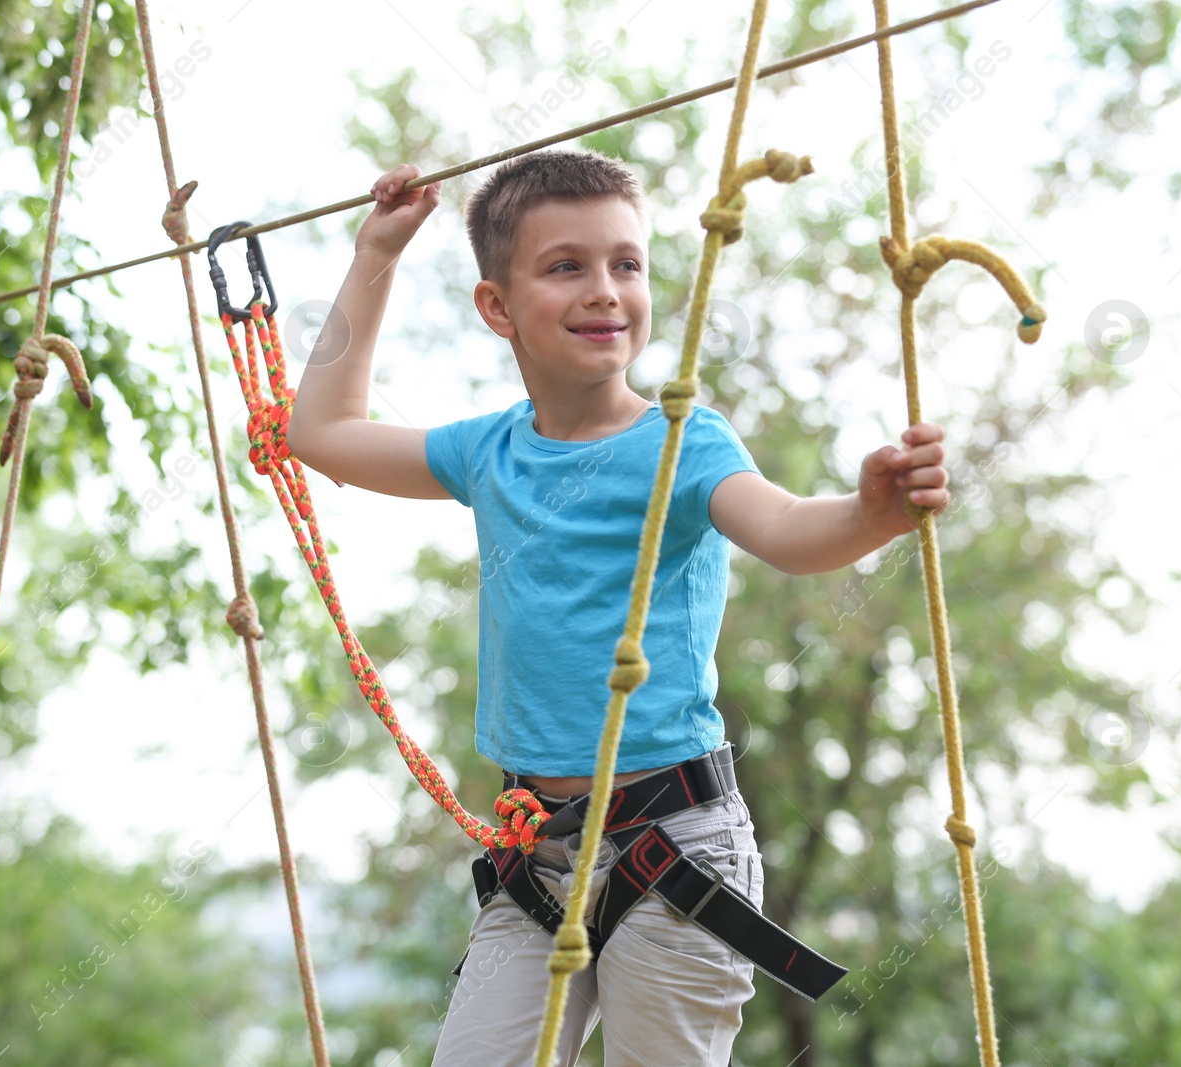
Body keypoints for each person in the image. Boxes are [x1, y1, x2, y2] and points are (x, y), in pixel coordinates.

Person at [286, 148, 951, 1066]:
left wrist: (868, 512)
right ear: (498, 307)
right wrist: (377, 255)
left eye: (626, 264)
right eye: (566, 266)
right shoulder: (489, 453)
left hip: (673, 848)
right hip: (539, 857)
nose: (604, 290)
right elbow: (320, 433)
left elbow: (791, 531)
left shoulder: (684, 439)